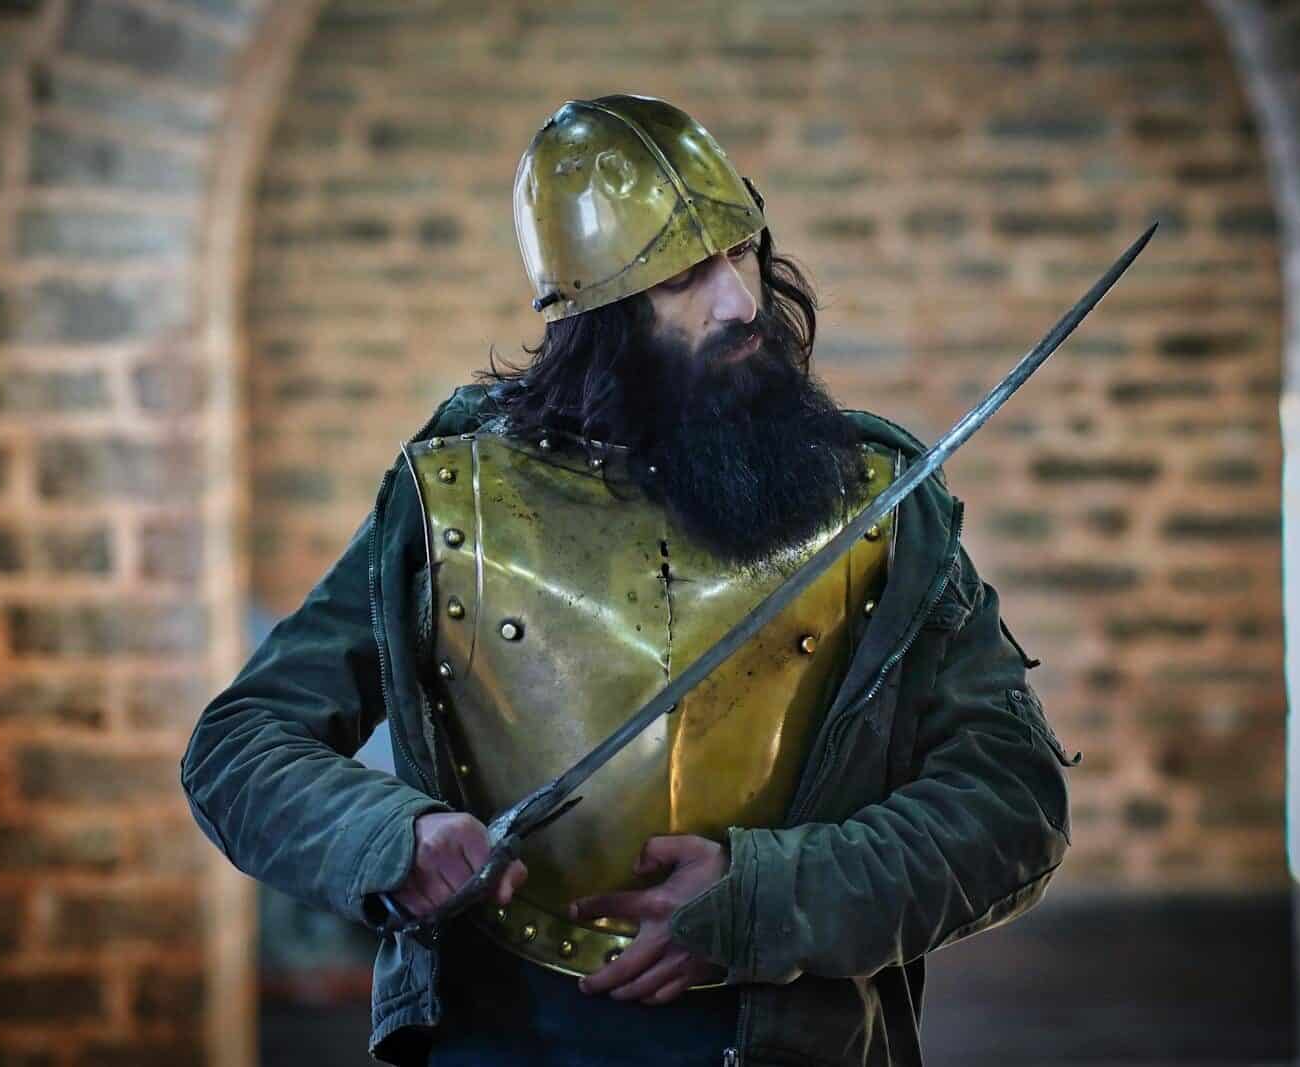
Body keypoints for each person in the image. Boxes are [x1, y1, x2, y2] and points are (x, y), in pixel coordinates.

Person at [181, 94, 1076, 1067]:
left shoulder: (881, 501)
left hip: (795, 1035)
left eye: (742, 251)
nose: (740, 302)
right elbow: (239, 745)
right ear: (595, 316)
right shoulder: (451, 501)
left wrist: (771, 896)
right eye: (684, 276)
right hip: (509, 1035)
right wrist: (392, 836)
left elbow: (1012, 802)